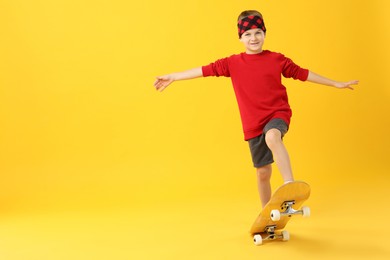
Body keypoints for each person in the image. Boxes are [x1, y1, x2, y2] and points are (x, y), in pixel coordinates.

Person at [154, 10, 358, 208]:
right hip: (253, 122)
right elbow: (203, 71)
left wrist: (334, 83)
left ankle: (289, 185)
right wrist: (173, 76)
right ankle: (265, 213)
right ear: (241, 38)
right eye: (248, 34)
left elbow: (302, 73)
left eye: (258, 33)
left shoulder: (277, 59)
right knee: (263, 172)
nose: (254, 38)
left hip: (277, 113)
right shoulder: (232, 63)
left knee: (272, 137)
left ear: (265, 34)